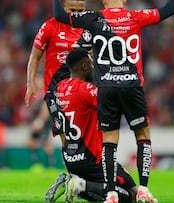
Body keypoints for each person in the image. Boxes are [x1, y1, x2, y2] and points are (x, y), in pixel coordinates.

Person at [53, 0, 174, 202]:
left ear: (103, 1)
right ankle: (144, 189)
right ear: (125, 0)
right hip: (131, 85)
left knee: (109, 141)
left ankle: (110, 192)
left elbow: (60, 15)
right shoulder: (135, 16)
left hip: (106, 88)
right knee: (143, 137)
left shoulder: (94, 18)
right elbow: (169, 10)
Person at [47, 48, 137, 203]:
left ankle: (71, 182)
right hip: (94, 159)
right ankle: (80, 186)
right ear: (84, 67)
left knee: (126, 187)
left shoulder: (60, 87)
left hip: (71, 159)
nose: (94, 67)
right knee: (131, 196)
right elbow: (112, 103)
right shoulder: (86, 90)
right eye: (92, 64)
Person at [24, 0, 92, 168]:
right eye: (72, 10)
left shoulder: (90, 28)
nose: (75, 14)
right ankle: (75, 176)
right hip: (56, 92)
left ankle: (88, 176)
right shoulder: (50, 26)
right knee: (66, 137)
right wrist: (30, 83)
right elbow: (35, 57)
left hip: (83, 91)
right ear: (63, 8)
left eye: (80, 10)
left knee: (87, 136)